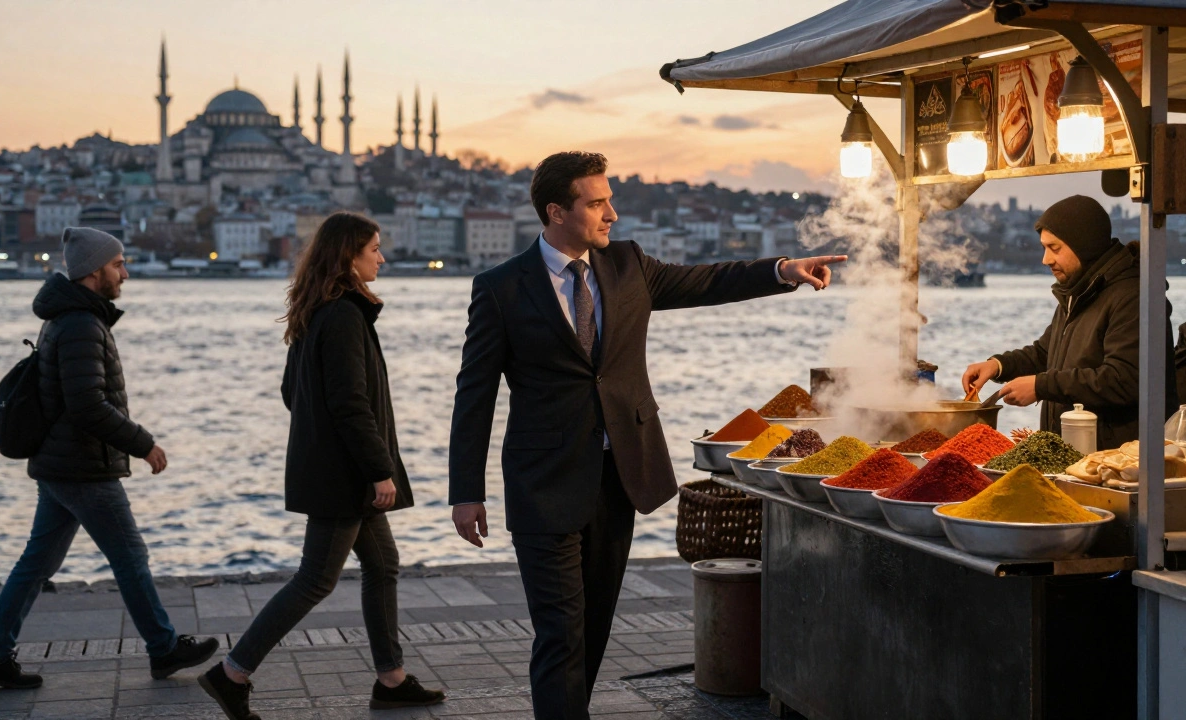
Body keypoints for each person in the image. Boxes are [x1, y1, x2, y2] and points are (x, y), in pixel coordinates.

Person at [447, 151, 846, 719]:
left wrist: (781, 270)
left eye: (610, 199)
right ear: (556, 211)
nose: (613, 212)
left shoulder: (628, 264)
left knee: (592, 631)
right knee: (560, 633)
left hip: (620, 480)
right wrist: (466, 490)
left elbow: (708, 279)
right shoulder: (500, 288)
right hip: (544, 486)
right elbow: (474, 394)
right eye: (598, 201)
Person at [198, 212, 444, 720]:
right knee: (315, 579)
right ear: (348, 256)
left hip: (337, 467)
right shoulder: (345, 315)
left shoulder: (318, 310)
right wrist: (378, 469)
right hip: (345, 476)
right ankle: (232, 673)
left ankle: (391, 679)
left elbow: (294, 394)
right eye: (374, 248)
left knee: (382, 565)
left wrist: (327, 440)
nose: (382, 257)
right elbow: (350, 403)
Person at [0, 227, 218, 690]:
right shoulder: (81, 323)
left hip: (60, 463)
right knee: (130, 557)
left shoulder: (69, 316)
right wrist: (143, 443)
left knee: (37, 563)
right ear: (94, 271)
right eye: (118, 264)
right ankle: (163, 648)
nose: (125, 272)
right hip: (81, 465)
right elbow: (87, 405)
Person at [963, 194, 1178, 449]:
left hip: (1122, 462)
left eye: (1055, 248)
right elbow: (1046, 352)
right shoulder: (1077, 292)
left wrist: (1041, 386)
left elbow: (1124, 379)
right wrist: (998, 365)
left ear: (1084, 246)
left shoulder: (1135, 297)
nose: (1046, 260)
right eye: (1044, 248)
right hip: (1074, 456)